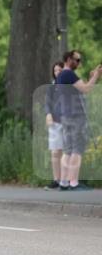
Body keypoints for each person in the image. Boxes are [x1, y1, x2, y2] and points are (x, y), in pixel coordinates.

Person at [56, 49, 101, 191]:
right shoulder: (69, 73)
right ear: (69, 59)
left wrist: (93, 77)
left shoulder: (62, 75)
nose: (79, 63)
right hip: (76, 116)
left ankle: (63, 182)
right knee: (77, 149)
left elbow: (81, 88)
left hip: (66, 116)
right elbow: (86, 89)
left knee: (68, 150)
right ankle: (73, 183)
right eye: (77, 60)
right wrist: (97, 75)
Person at [44, 61, 66, 189]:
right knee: (55, 152)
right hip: (54, 123)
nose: (57, 72)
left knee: (65, 152)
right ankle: (56, 180)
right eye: (55, 70)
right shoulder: (52, 86)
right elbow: (48, 103)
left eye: (60, 70)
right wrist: (48, 114)